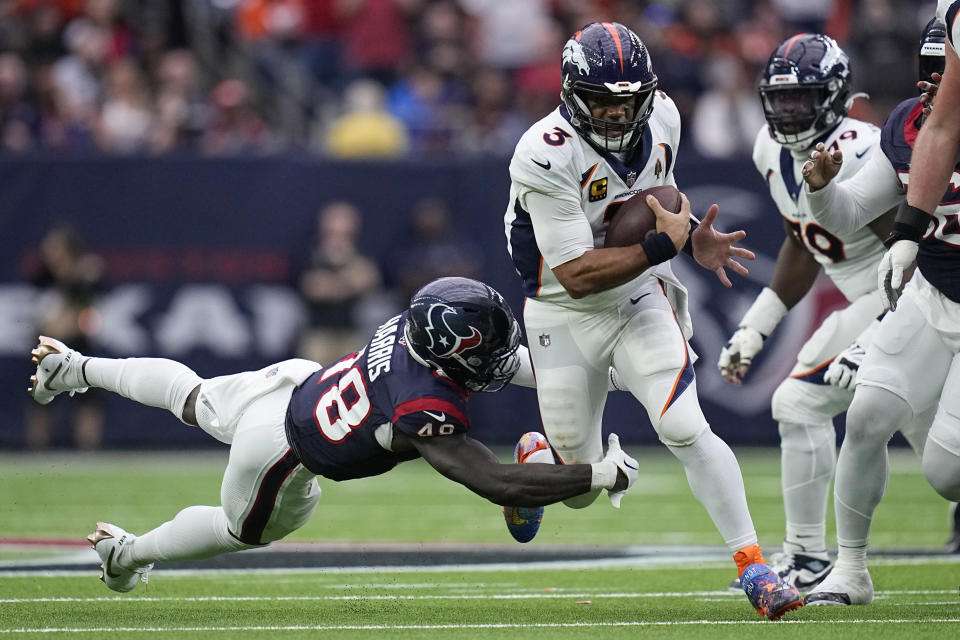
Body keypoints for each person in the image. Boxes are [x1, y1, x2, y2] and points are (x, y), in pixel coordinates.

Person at [28, 276, 638, 593]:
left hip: (289, 385)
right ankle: (125, 555)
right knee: (240, 529)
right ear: (447, 355)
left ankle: (76, 367)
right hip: (284, 454)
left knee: (191, 395)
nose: (505, 354)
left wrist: (617, 376)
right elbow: (496, 480)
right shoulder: (420, 404)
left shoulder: (416, 328)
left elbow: (516, 367)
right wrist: (599, 473)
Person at [501, 21, 802, 621]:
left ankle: (755, 566)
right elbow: (576, 274)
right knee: (582, 486)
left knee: (686, 427)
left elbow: (656, 197)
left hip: (638, 294)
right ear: (571, 94)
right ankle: (540, 459)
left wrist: (693, 238)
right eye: (602, 101)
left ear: (648, 94)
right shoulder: (545, 150)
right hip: (562, 308)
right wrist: (666, 247)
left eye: (627, 100)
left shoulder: (662, 114)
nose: (617, 114)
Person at [716, 33, 930, 593]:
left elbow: (914, 256)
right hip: (868, 302)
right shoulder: (770, 149)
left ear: (834, 96)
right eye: (780, 100)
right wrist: (755, 328)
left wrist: (877, 335)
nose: (788, 112)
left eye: (802, 99)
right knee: (936, 453)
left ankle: (809, 555)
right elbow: (803, 242)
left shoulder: (864, 147)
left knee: (804, 402)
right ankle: (809, 555)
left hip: (905, 297)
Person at [796, 11, 960, 605]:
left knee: (947, 475)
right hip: (935, 294)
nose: (938, 81)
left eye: (949, 67)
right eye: (931, 68)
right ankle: (851, 569)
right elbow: (846, 216)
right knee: (864, 419)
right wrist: (822, 187)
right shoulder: (911, 127)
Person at [25, 223, 105, 450]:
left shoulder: (86, 279)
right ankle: (37, 453)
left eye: (56, 248)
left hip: (79, 345)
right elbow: (40, 316)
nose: (50, 253)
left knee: (88, 399)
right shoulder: (43, 278)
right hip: (47, 348)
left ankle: (87, 451)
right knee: (40, 399)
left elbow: (86, 316)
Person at [296, 201, 384, 366]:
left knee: (351, 381)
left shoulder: (362, 250)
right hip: (318, 332)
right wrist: (348, 283)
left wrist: (337, 279)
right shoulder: (310, 251)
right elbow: (314, 288)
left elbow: (368, 280)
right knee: (313, 381)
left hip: (351, 330)